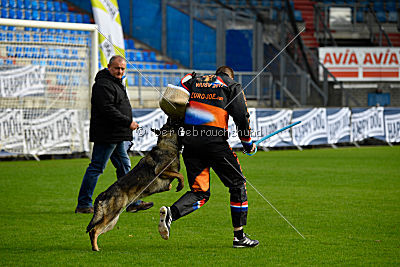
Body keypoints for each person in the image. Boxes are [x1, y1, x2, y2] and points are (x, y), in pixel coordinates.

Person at [158, 66, 259, 248]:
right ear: (230, 75)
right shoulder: (231, 85)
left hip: (190, 143)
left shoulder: (193, 79)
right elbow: (241, 116)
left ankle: (171, 213)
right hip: (215, 143)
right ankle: (239, 237)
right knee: (237, 185)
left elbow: (174, 96)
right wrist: (248, 144)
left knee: (200, 192)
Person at [75, 55, 153, 214]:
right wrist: (127, 122)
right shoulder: (103, 85)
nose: (120, 71)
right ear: (109, 67)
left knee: (125, 168)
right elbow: (108, 110)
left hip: (117, 134)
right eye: (117, 68)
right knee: (97, 167)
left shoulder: (115, 83)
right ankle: (84, 203)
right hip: (108, 135)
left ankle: (133, 202)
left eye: (123, 68)